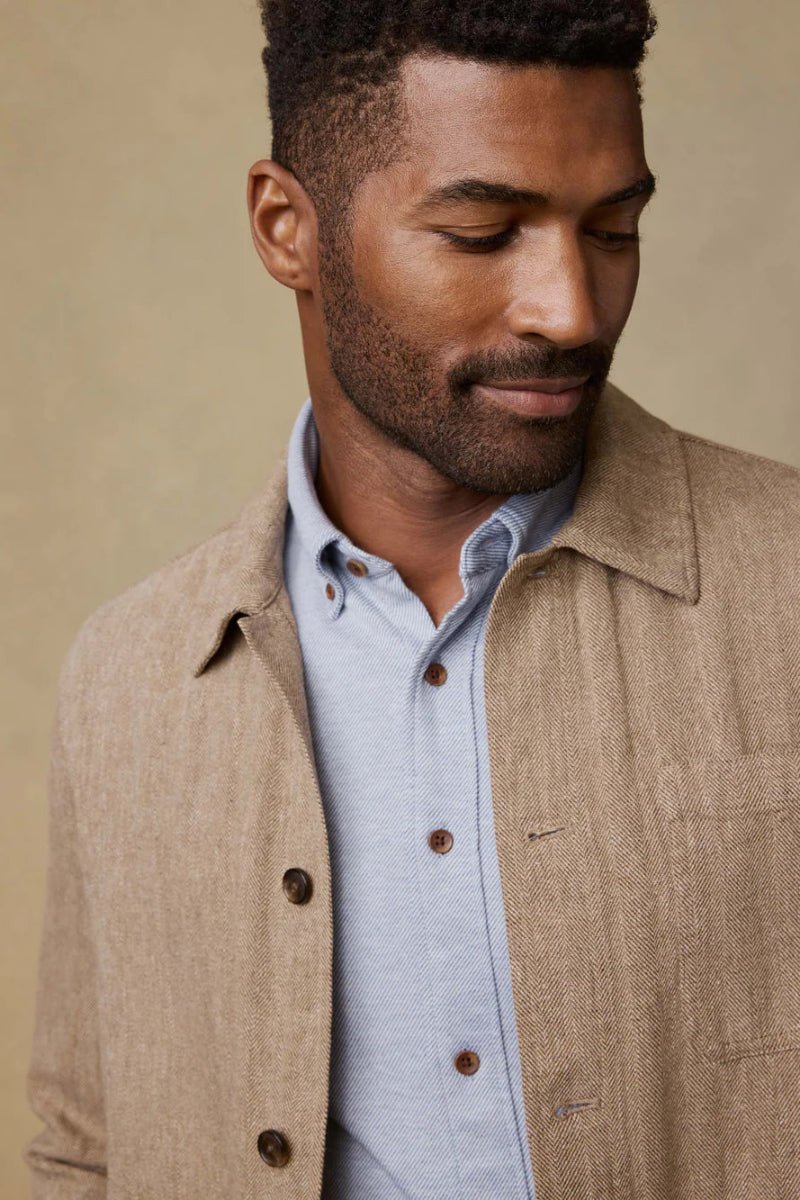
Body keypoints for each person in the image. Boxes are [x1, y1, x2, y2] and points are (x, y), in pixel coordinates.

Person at [22, 1, 800, 1197]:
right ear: (288, 229)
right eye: (484, 233)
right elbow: (84, 1148)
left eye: (613, 228)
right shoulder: (132, 680)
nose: (573, 309)